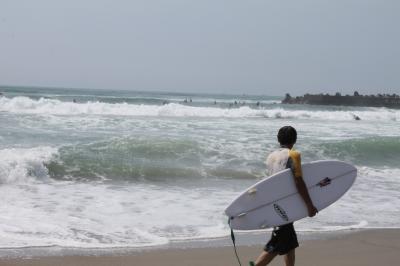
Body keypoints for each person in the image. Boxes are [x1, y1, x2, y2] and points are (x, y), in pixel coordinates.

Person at [251, 126, 318, 266]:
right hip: (285, 206)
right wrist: (309, 205)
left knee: (289, 243)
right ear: (295, 139)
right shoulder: (294, 155)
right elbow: (298, 181)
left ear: (278, 139)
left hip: (274, 202)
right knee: (276, 244)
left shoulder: (271, 156)